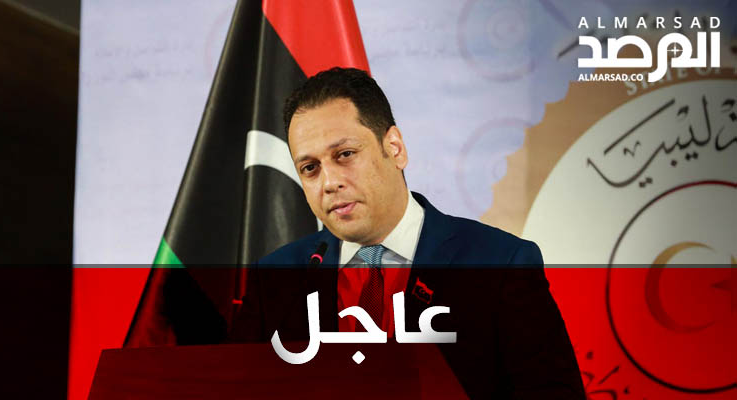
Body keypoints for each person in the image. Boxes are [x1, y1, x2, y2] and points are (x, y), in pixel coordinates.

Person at [235, 67, 585, 399]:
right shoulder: (274, 280)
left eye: (345, 154)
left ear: (395, 149)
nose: (329, 182)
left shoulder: (500, 264)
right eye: (310, 168)